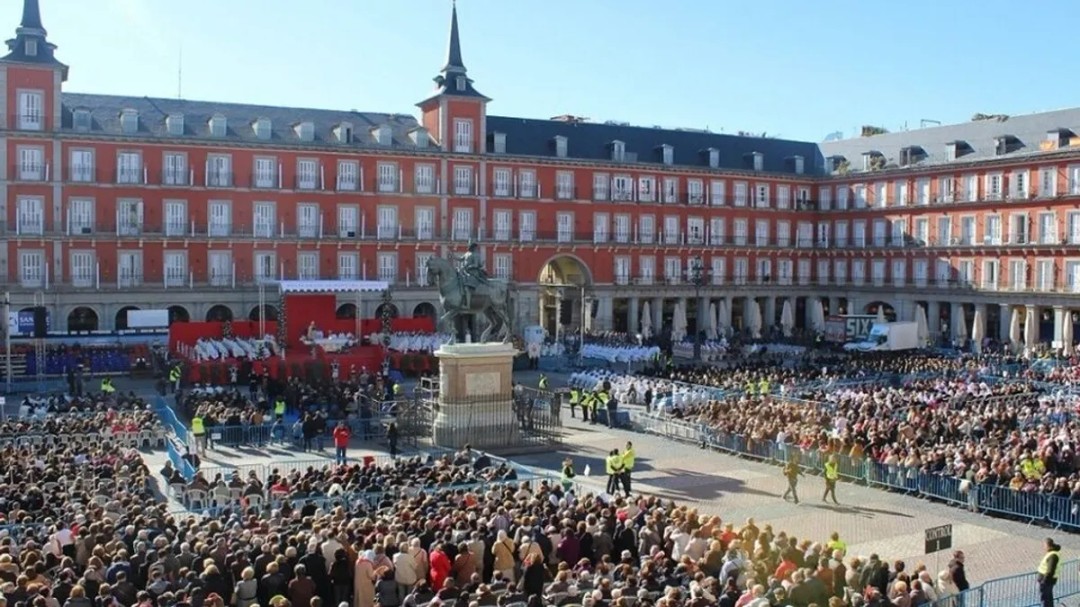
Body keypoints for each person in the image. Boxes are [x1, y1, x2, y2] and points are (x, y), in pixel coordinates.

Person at [460, 241, 488, 309]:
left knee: (467, 288)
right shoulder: (467, 254)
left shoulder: (476, 255)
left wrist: (468, 267)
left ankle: (467, 305)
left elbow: (476, 265)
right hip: (466, 273)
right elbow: (460, 259)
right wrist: (453, 256)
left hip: (473, 274)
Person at [1037, 537, 1061, 607]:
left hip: (1047, 582)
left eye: (1044, 545)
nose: (1044, 547)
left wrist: (1043, 581)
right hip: (1049, 581)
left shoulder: (1053, 555)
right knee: (1048, 599)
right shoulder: (1053, 553)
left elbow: (1050, 570)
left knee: (1045, 600)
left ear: (1048, 545)